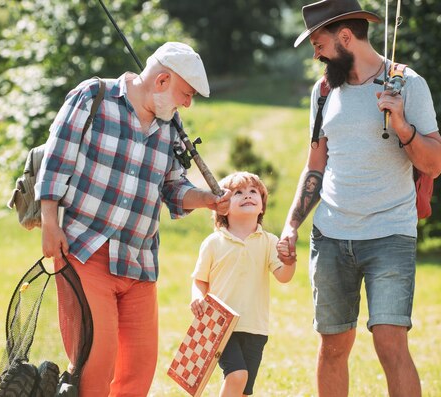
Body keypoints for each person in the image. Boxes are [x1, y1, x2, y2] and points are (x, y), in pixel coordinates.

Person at [35, 42, 232, 396]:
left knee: (138, 371)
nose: (188, 103)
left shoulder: (170, 125)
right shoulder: (93, 97)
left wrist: (206, 200)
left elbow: (171, 186)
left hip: (139, 262)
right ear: (161, 81)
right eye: (186, 94)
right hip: (84, 251)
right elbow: (56, 161)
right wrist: (50, 223)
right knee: (97, 363)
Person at [282, 1, 441, 396]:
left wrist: (403, 126)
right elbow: (315, 166)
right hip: (332, 235)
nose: (316, 53)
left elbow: (436, 162)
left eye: (318, 43)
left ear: (344, 37)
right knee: (333, 347)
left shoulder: (407, 83)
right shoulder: (323, 91)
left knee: (391, 345)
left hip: (390, 234)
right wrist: (291, 225)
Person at [190, 171, 296, 397]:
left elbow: (283, 276)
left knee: (244, 389)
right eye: (238, 192)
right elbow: (200, 279)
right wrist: (197, 297)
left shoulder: (269, 241)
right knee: (237, 375)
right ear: (223, 207)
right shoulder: (213, 242)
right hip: (220, 325)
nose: (247, 195)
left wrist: (289, 261)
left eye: (253, 192)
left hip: (255, 326)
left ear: (262, 207)